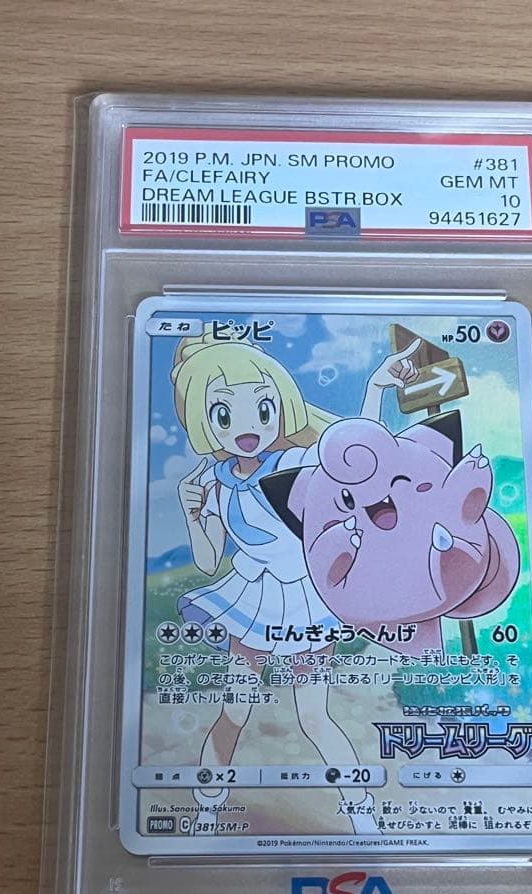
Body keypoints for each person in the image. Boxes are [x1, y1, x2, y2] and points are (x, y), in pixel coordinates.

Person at [170, 328, 418, 835]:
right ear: (203, 419)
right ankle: (206, 810)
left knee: (314, 716)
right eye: (224, 414)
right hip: (253, 601)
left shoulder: (294, 463)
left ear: (280, 406)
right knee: (234, 709)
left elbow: (357, 459)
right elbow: (209, 560)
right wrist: (193, 514)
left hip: (306, 602)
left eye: (262, 409)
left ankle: (361, 813)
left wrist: (374, 389)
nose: (247, 427)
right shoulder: (214, 482)